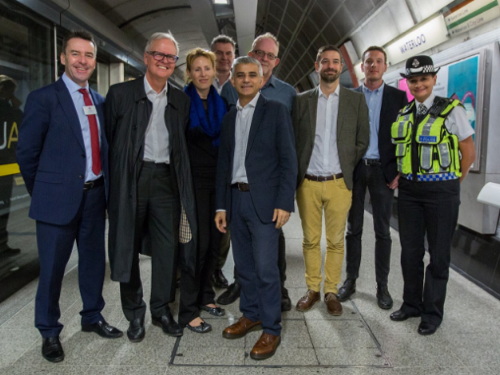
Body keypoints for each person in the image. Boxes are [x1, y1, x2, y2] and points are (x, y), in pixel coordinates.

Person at [16, 30, 122, 363]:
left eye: (88, 55)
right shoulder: (43, 98)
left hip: (94, 198)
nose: (82, 61)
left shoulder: (100, 102)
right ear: (63, 58)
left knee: (93, 265)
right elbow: (27, 154)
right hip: (56, 201)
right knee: (52, 271)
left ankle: (92, 317)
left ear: (94, 61)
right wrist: (45, 192)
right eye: (75, 54)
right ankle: (49, 331)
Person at [105, 32, 196, 342]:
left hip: (166, 181)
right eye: (158, 54)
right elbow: (110, 142)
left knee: (167, 247)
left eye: (170, 57)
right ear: (146, 57)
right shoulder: (120, 94)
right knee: (126, 245)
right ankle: (134, 313)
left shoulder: (180, 99)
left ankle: (160, 309)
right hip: (132, 178)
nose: (164, 60)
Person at [215, 56, 297, 360]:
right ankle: (250, 315)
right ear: (233, 81)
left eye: (253, 75)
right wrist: (221, 206)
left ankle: (271, 329)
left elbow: (288, 160)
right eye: (241, 76)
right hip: (236, 201)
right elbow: (224, 164)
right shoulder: (228, 118)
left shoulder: (275, 111)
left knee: (266, 269)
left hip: (264, 202)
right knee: (244, 268)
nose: (246, 80)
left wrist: (284, 202)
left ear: (262, 80)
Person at [389, 55, 475, 335]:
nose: (419, 84)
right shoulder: (404, 113)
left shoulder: (452, 110)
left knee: (438, 256)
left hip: (442, 192)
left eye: (424, 79)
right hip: (410, 192)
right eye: (413, 80)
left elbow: (468, 150)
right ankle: (412, 304)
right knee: (410, 253)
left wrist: (453, 181)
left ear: (434, 79)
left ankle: (432, 313)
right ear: (408, 83)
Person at [293, 45, 369, 316]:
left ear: (342, 67)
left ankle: (331, 291)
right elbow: (294, 139)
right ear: (317, 66)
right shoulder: (301, 101)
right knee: (310, 240)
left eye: (336, 62)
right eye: (325, 61)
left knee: (336, 241)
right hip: (308, 183)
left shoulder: (355, 101)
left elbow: (363, 140)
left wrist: (345, 164)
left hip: (339, 183)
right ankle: (312, 289)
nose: (330, 66)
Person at [338, 46, 408, 309]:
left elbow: (404, 138)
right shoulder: (350, 96)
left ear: (385, 66)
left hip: (384, 171)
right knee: (353, 228)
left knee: (383, 231)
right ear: (362, 67)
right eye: (369, 61)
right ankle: (350, 280)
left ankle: (382, 287)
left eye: (379, 61)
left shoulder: (398, 98)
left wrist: (400, 170)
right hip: (356, 169)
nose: (374, 65)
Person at [179, 48, 227, 334]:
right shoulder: (182, 103)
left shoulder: (222, 103)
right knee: (194, 246)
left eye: (206, 68)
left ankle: (206, 296)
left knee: (213, 244)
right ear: (189, 73)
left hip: (216, 181)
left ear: (213, 70)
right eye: (196, 69)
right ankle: (187, 309)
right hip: (192, 182)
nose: (202, 73)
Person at [209, 34, 236, 289]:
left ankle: (217, 267)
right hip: (205, 163)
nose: (224, 58)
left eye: (229, 53)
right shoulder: (201, 80)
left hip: (229, 163)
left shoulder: (239, 84)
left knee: (224, 220)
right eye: (219, 53)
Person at [0, 75, 23, 255]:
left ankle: (2, 243)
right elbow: (20, 117)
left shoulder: (8, 108)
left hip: (6, 166)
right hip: (5, 164)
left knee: (4, 207)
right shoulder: (7, 109)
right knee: (3, 207)